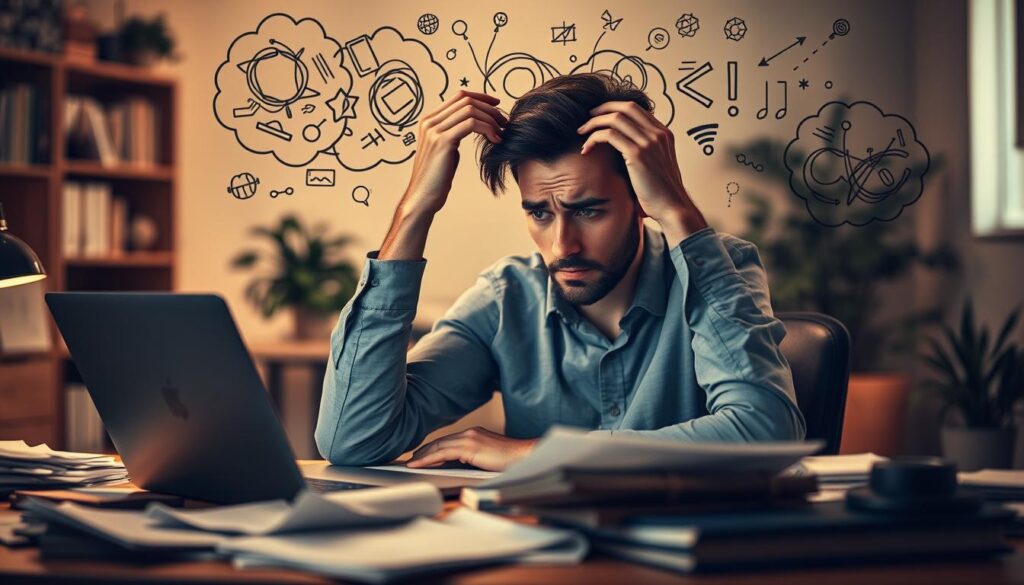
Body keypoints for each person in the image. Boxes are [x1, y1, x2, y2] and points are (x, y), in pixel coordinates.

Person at [315, 74, 806, 471]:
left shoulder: (723, 268)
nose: (562, 245)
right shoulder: (506, 298)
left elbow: (764, 432)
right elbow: (352, 438)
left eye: (589, 211)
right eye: (539, 213)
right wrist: (415, 209)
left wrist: (539, 453)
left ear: (641, 202)